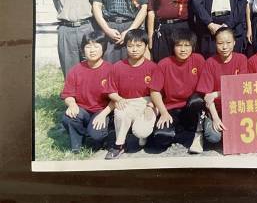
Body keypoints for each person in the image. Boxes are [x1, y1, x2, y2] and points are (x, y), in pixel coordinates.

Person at [149, 28, 207, 154]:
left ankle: (198, 133)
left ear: (193, 47)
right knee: (161, 139)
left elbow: (205, 88)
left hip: (191, 108)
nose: (183, 49)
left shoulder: (198, 60)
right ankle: (179, 131)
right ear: (173, 47)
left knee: (197, 101)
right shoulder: (164, 64)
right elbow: (154, 91)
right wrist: (164, 113)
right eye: (179, 45)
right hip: (171, 109)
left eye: (187, 45)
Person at [105, 29, 158, 159]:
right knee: (120, 112)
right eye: (130, 46)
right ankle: (119, 145)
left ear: (145, 46)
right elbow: (111, 90)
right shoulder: (117, 66)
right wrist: (118, 98)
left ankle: (144, 135)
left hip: (147, 102)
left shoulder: (152, 67)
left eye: (139, 46)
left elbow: (158, 93)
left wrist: (151, 106)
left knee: (141, 131)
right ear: (126, 47)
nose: (134, 49)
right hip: (127, 101)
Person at [60, 31, 113, 153]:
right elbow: (68, 94)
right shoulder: (76, 70)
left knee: (96, 135)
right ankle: (77, 145)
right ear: (83, 49)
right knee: (68, 118)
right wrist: (72, 104)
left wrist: (103, 115)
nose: (92, 50)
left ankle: (104, 133)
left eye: (96, 46)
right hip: (83, 110)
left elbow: (116, 99)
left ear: (103, 48)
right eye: (88, 46)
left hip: (102, 110)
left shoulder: (111, 70)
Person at [195, 27, 248, 146]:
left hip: (236, 108)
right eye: (220, 43)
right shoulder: (210, 62)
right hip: (216, 109)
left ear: (234, 42)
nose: (224, 47)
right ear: (215, 44)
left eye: (228, 43)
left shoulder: (241, 59)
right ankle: (202, 127)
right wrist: (216, 118)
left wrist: (217, 94)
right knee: (214, 136)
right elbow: (208, 97)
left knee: (240, 134)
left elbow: (241, 89)